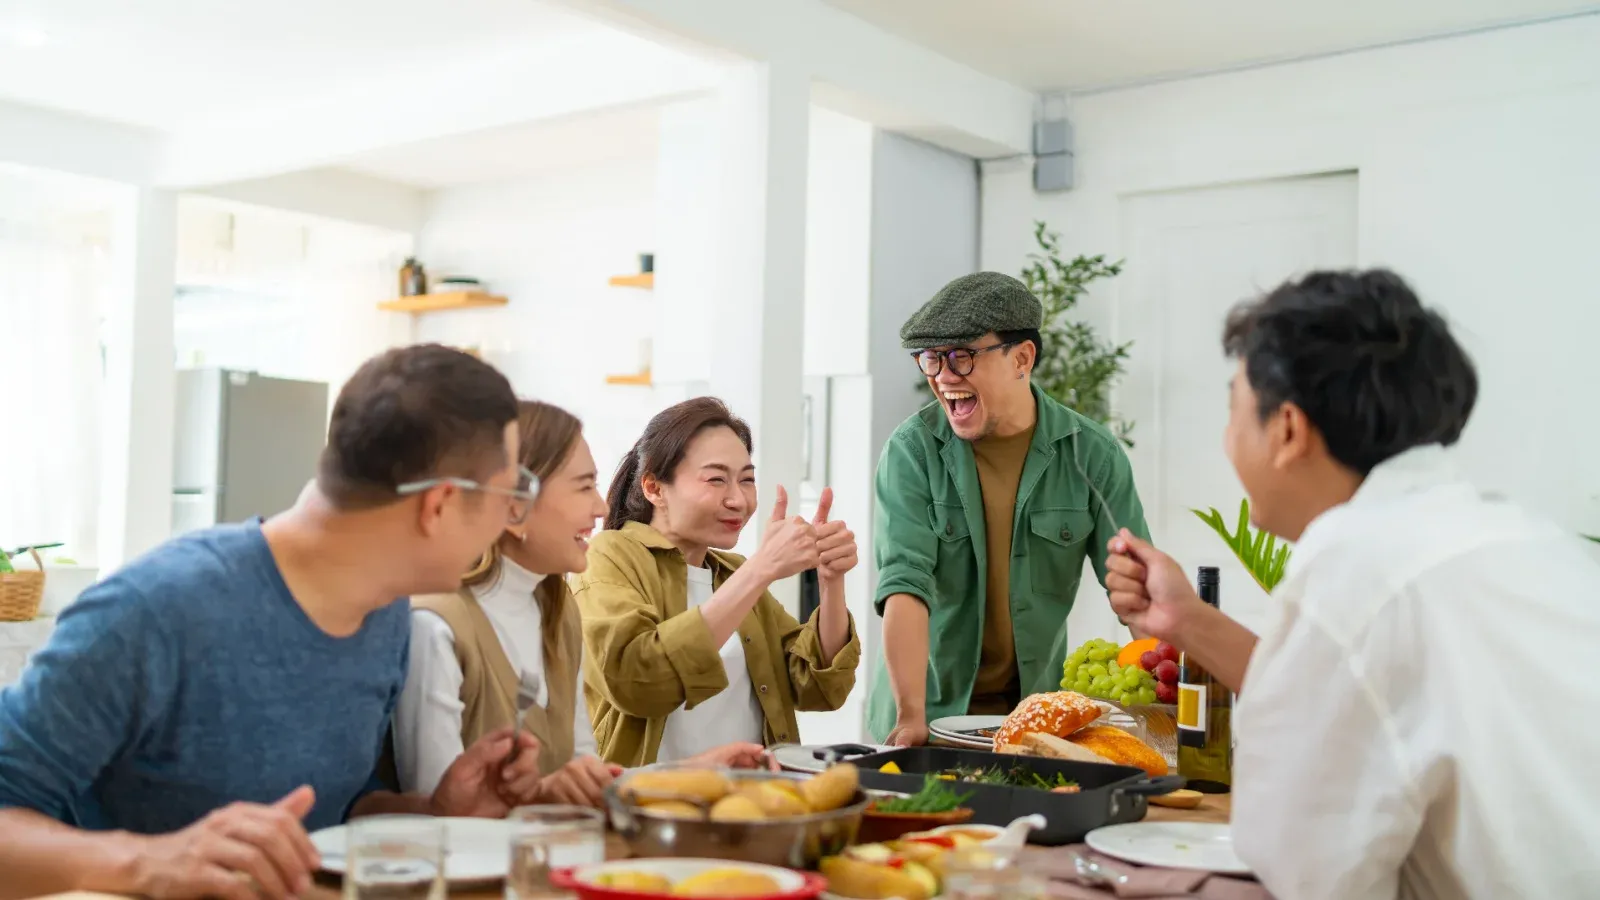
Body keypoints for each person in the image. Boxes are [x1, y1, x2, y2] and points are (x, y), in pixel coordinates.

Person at [1103, 269, 1600, 899]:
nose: (1228, 440)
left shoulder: (1354, 569)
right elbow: (1374, 699)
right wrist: (1188, 622)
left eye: (1233, 410)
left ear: (1286, 429)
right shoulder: (1523, 539)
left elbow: (1301, 870)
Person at [0, 345, 552, 900]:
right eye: (508, 494)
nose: (509, 519)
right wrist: (146, 863)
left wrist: (433, 812)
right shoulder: (156, 607)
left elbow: (335, 804)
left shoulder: (385, 611)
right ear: (440, 505)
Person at [392, 400, 775, 808]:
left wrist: (692, 772)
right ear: (514, 503)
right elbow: (437, 815)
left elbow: (584, 778)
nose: (602, 506)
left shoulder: (557, 610)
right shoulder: (435, 627)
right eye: (582, 486)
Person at [870, 272, 1152, 746]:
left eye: (961, 357)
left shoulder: (1093, 455)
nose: (942, 376)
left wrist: (1170, 701)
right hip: (926, 720)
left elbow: (1135, 592)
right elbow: (905, 585)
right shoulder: (912, 452)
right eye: (931, 359)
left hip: (1034, 724)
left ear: (1022, 358)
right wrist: (910, 715)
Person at [572, 397, 861, 767]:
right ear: (654, 488)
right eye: (716, 480)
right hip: (652, 807)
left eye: (747, 480)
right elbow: (634, 681)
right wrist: (760, 570)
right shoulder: (608, 555)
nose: (738, 499)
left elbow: (817, 688)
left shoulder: (734, 573)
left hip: (751, 800)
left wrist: (831, 581)